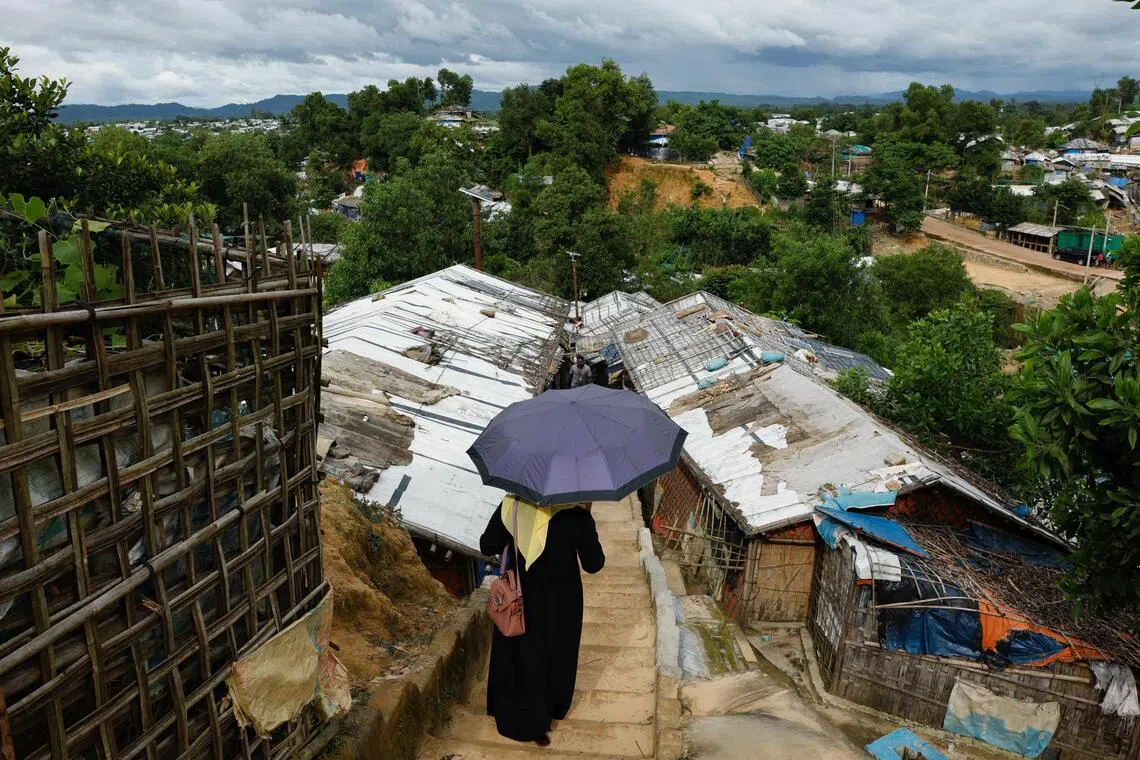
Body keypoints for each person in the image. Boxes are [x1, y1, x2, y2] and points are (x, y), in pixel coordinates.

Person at [479, 496, 605, 746]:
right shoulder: (577, 518)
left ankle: (508, 708)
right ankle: (549, 709)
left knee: (516, 649)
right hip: (560, 605)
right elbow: (594, 564)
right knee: (555, 654)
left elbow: (487, 545)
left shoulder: (511, 506)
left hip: (517, 599)